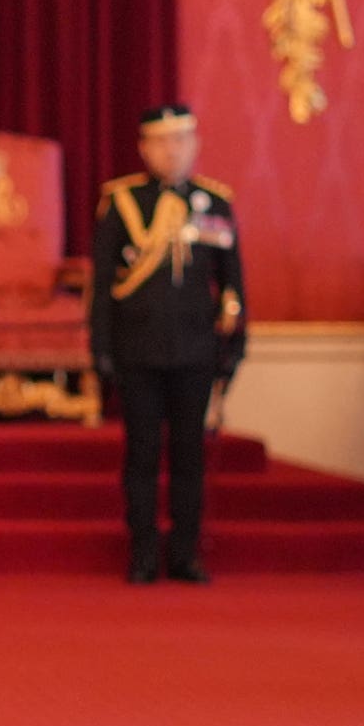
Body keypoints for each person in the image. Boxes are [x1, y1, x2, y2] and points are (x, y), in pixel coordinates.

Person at [90, 103, 246, 584]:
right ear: (143, 148)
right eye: (160, 141)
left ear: (195, 145)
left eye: (180, 139)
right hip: (137, 349)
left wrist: (235, 347)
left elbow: (233, 284)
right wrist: (102, 350)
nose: (171, 150)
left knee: (188, 455)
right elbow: (101, 287)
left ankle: (184, 552)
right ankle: (141, 551)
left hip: (196, 351)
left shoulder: (214, 203)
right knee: (140, 453)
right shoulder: (121, 203)